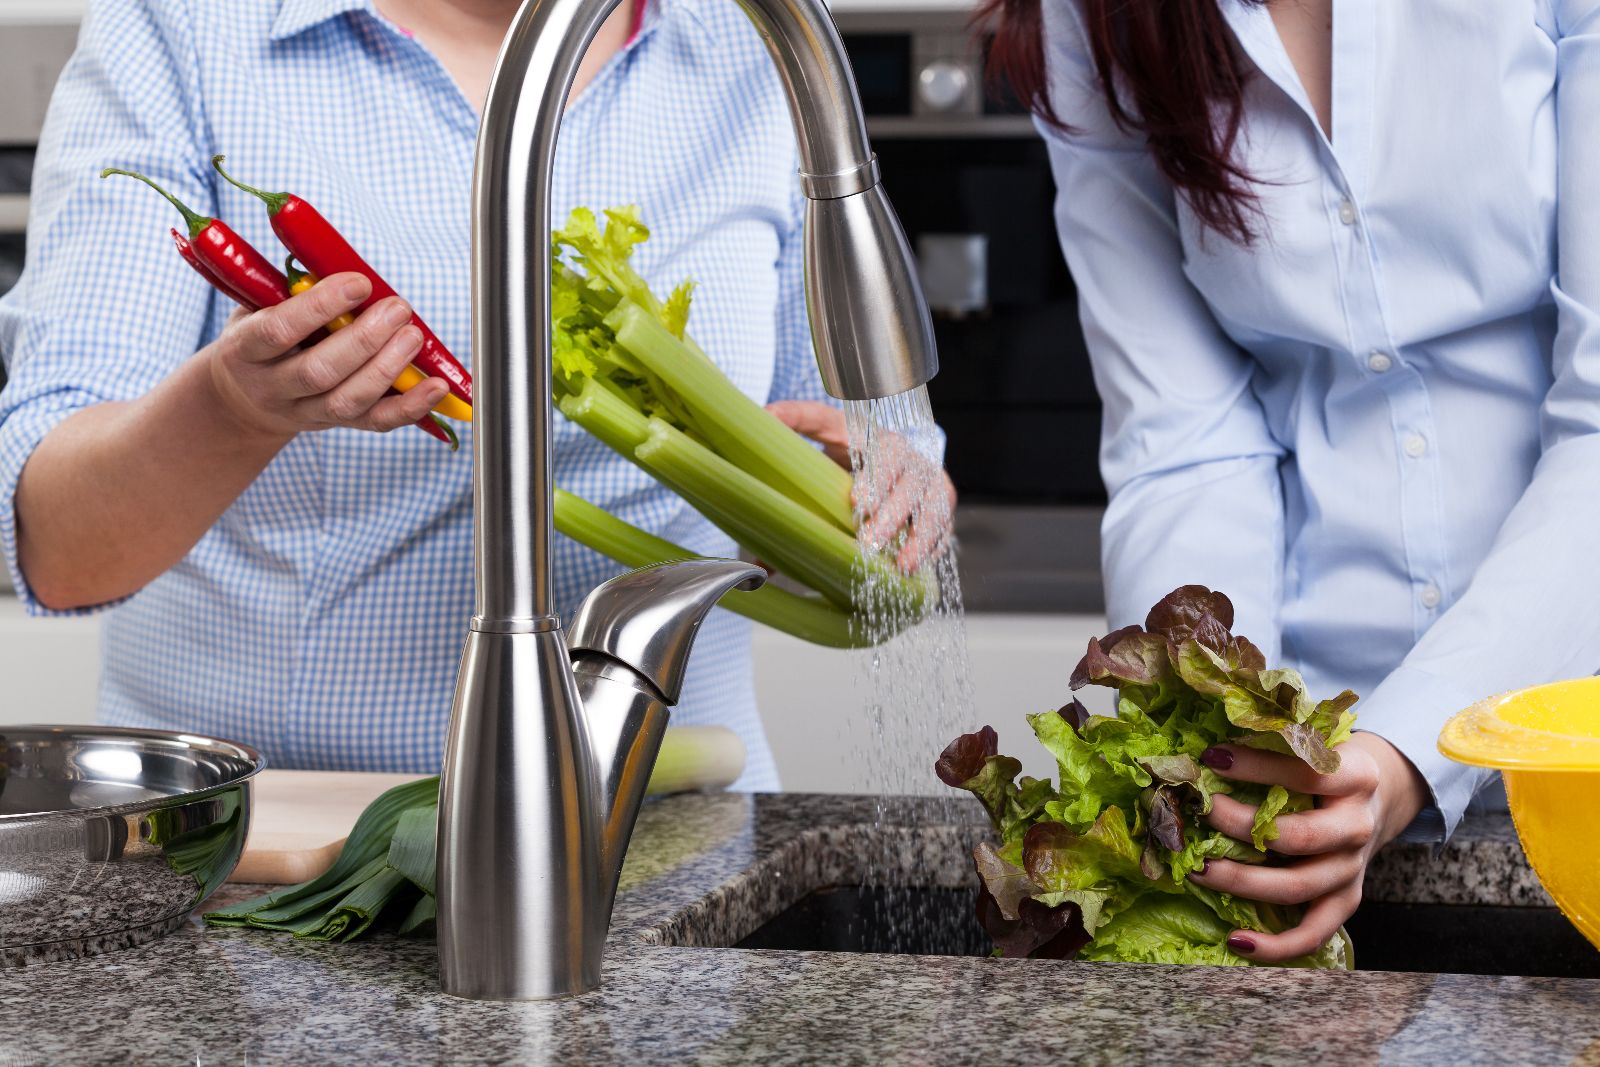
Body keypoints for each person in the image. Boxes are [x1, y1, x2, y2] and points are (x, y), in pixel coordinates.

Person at [0, 0, 951, 791]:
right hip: (290, 845)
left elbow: (859, 454)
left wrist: (867, 497)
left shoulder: (753, 45)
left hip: (674, 822)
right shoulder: (187, 30)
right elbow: (61, 549)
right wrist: (232, 411)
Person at [987, 0, 1600, 960]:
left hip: (1578, 761)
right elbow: (1185, 440)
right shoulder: (1092, 15)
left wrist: (1406, 749)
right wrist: (1224, 742)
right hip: (1322, 796)